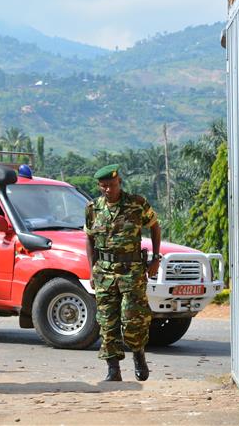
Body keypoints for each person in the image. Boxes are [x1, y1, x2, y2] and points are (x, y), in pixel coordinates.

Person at [84, 164, 160, 382]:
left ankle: (139, 355)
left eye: (112, 185)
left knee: (133, 319)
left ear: (120, 183)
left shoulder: (136, 204)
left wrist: (156, 258)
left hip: (132, 272)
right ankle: (113, 369)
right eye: (104, 186)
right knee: (107, 322)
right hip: (104, 273)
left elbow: (155, 226)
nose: (109, 189)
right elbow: (88, 238)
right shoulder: (92, 208)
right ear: (99, 186)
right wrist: (91, 269)